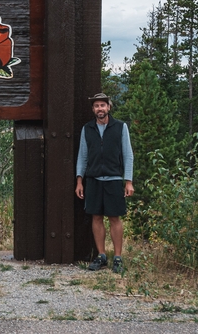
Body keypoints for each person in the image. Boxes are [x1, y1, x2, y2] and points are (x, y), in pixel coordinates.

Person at [74, 93, 134, 273]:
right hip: (93, 180)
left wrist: (128, 181)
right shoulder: (87, 129)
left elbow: (128, 155)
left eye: (103, 105)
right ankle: (101, 256)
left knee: (114, 217)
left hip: (114, 179)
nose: (100, 108)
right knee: (96, 217)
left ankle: (117, 258)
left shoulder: (120, 127)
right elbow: (82, 157)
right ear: (93, 109)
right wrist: (79, 180)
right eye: (96, 106)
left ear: (109, 107)